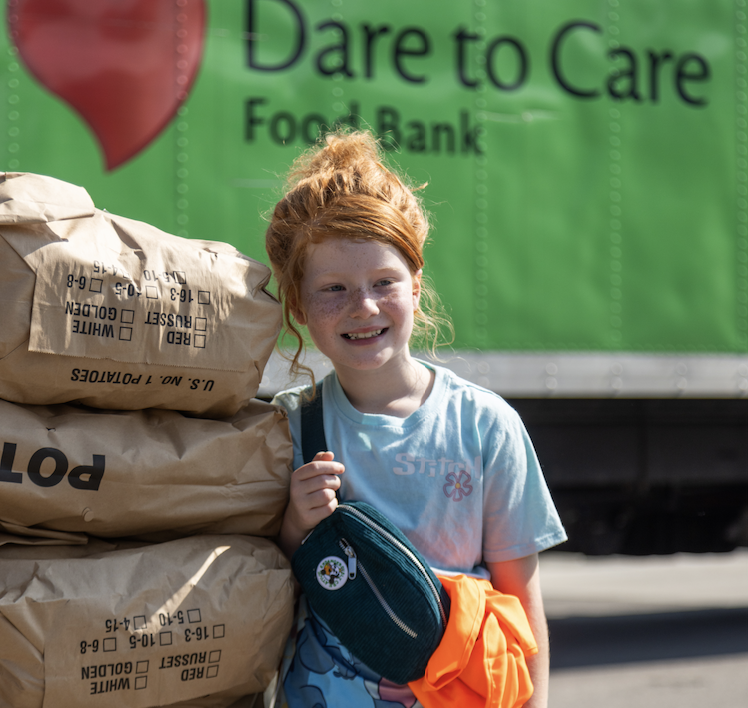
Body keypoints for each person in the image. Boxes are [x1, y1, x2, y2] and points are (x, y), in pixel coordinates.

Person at [265, 129, 567, 708]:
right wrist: (293, 526)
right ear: (299, 305)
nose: (364, 306)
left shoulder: (485, 426)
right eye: (334, 289)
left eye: (384, 282)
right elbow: (262, 585)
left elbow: (521, 609)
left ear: (417, 284)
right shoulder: (285, 429)